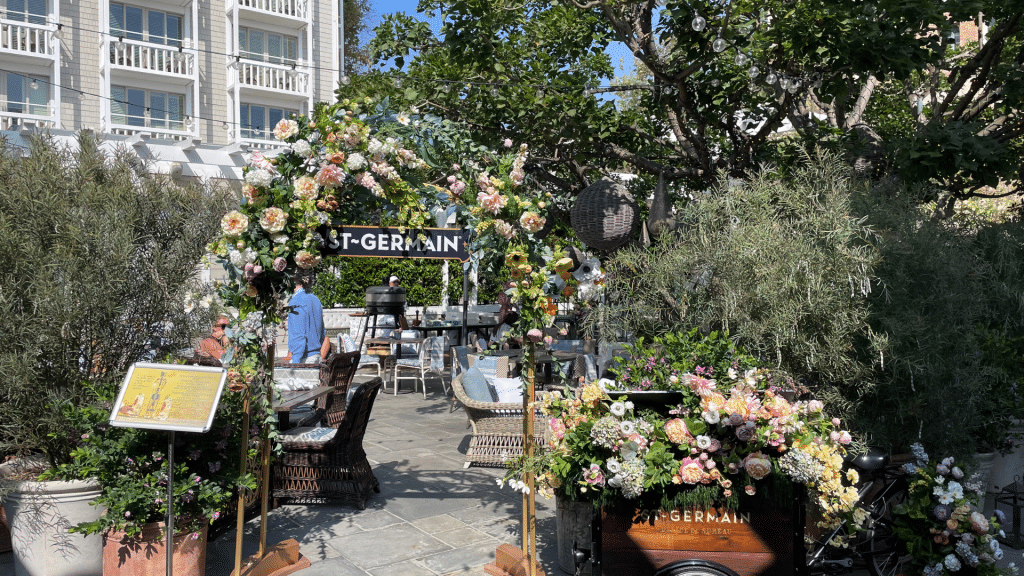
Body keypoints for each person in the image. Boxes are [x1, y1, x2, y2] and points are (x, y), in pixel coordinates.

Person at [287, 276, 326, 364]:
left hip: (304, 359)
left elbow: (298, 333)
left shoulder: (295, 301)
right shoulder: (315, 299)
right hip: (316, 355)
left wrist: (295, 361)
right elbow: (322, 331)